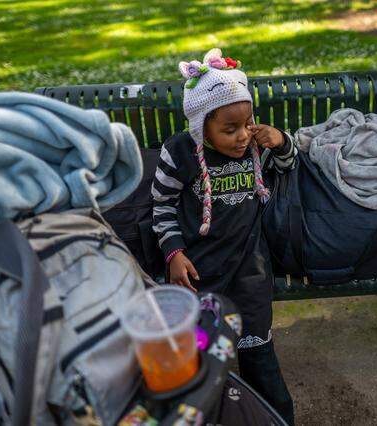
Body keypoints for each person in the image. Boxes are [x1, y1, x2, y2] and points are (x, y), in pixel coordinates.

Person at [151, 48, 296, 425]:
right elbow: (162, 205)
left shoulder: (254, 149)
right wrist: (173, 252)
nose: (241, 136)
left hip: (250, 270)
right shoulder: (180, 153)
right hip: (199, 272)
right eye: (229, 130)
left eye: (247, 124)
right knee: (199, 359)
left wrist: (280, 141)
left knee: (260, 358)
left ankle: (277, 419)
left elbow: (288, 165)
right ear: (201, 127)